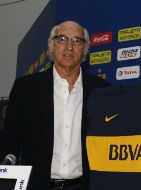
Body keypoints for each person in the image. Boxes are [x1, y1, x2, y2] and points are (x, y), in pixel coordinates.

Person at [0, 21, 109, 190]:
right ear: (51, 46)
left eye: (77, 41)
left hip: (84, 186)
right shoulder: (25, 88)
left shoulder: (101, 90)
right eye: (62, 39)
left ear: (85, 49)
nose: (69, 47)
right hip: (37, 185)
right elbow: (8, 142)